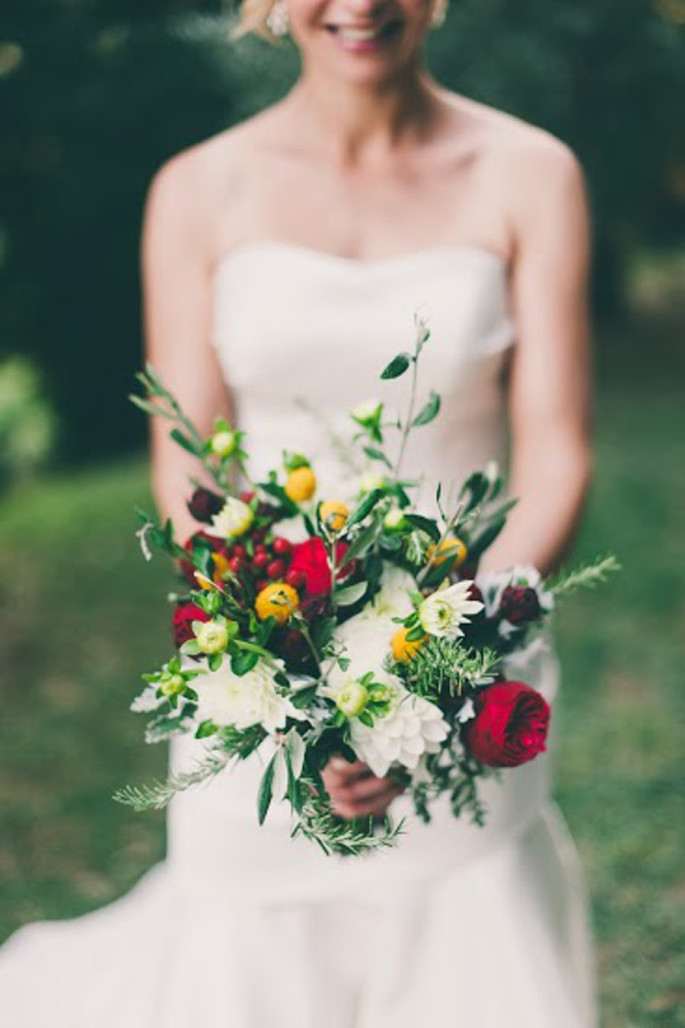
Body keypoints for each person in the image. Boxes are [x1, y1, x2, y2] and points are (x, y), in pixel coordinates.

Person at [0, 0, 596, 1024]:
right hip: (262, 646)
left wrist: (447, 664)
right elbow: (189, 467)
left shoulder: (531, 173)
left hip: (470, 629)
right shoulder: (197, 189)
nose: (358, 5)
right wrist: (299, 685)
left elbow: (555, 450)